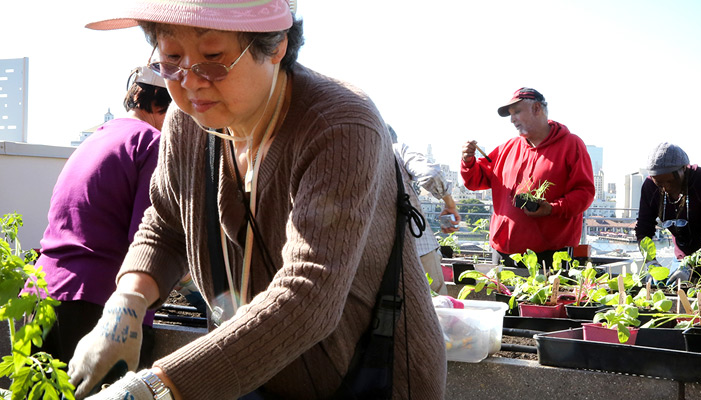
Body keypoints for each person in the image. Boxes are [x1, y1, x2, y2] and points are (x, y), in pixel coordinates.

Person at [70, 1, 446, 399]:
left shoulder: (339, 124)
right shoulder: (190, 122)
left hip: (372, 377)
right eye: (171, 59)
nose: (191, 81)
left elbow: (308, 294)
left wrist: (156, 389)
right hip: (259, 376)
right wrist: (127, 301)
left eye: (213, 59)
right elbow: (166, 226)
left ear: (275, 46)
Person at [31, 65, 171, 366]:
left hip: (41, 293)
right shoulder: (152, 143)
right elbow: (150, 239)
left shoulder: (98, 137)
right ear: (166, 105)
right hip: (98, 305)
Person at [460, 87, 595, 268]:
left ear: (537, 108)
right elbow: (476, 180)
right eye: (510, 114)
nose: (512, 119)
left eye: (516, 112)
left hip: (551, 254)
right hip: (504, 251)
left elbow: (584, 193)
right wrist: (468, 161)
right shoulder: (507, 148)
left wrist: (552, 209)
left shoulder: (571, 144)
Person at [635, 142, 701, 282]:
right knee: (678, 295)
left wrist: (690, 268)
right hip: (684, 257)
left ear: (684, 170)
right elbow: (643, 229)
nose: (666, 187)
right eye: (660, 184)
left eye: (670, 181)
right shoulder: (650, 187)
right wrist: (651, 263)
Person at [389, 126, 460, 295]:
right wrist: (450, 204)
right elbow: (431, 174)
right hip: (416, 245)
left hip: (371, 253)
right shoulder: (396, 149)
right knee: (437, 305)